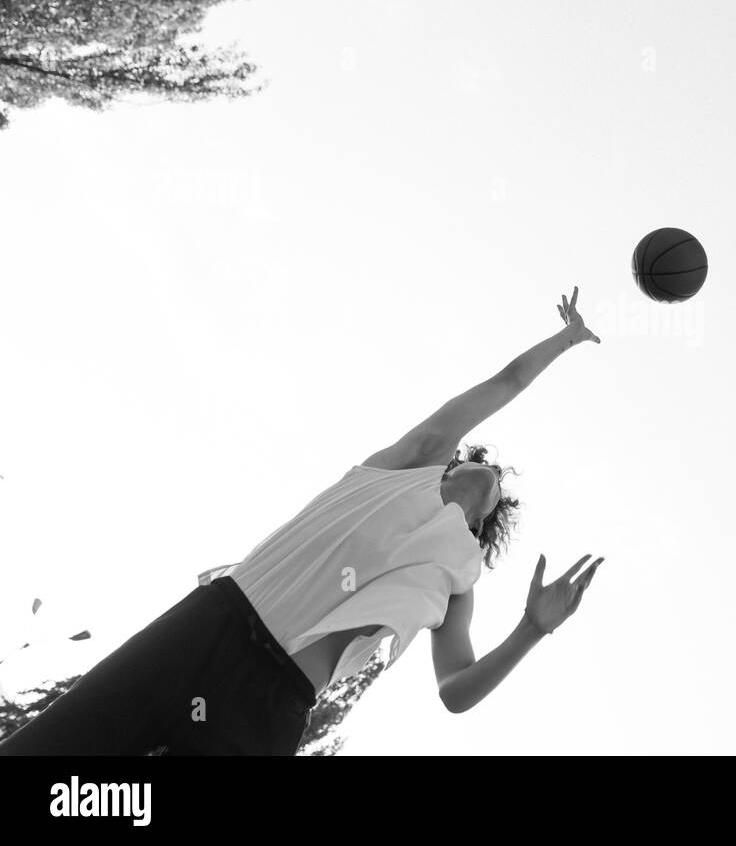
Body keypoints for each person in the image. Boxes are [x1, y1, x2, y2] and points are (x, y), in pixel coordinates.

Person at [0, 288, 605, 755]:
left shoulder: (459, 578)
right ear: (455, 459)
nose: (490, 473)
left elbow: (456, 690)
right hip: (212, 626)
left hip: (272, 702)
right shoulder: (410, 462)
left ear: (487, 521)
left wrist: (531, 629)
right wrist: (567, 339)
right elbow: (506, 382)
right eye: (482, 462)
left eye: (497, 487)